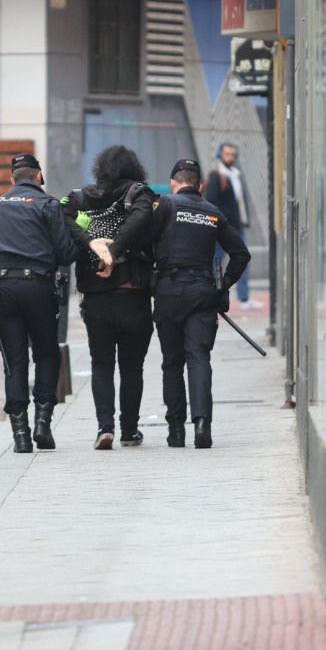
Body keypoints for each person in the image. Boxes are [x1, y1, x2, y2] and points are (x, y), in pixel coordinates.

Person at [135, 158, 249, 449]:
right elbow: (240, 254)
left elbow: (142, 242)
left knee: (172, 363)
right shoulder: (213, 213)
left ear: (174, 183)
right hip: (202, 292)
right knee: (199, 358)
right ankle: (202, 425)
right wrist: (223, 286)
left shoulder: (166, 206)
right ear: (200, 185)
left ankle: (175, 430)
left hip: (169, 292)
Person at [0, 152, 83, 454]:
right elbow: (66, 254)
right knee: (45, 353)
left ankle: (20, 436)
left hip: (1, 287)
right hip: (38, 287)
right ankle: (43, 423)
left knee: (14, 362)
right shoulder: (47, 204)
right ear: (39, 176)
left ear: (12, 179)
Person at [61, 146, 157, 451]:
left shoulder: (79, 197)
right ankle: (129, 430)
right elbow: (142, 218)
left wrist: (92, 243)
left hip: (96, 299)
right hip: (133, 295)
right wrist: (113, 252)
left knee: (101, 364)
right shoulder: (139, 194)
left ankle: (105, 428)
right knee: (132, 367)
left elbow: (58, 215)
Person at [202, 141, 252, 307]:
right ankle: (209, 291)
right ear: (220, 155)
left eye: (233, 154)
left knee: (241, 258)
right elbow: (211, 202)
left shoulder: (235, 175)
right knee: (216, 260)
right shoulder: (217, 175)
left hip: (238, 226)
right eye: (227, 154)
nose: (230, 157)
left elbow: (240, 202)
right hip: (222, 227)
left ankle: (244, 297)